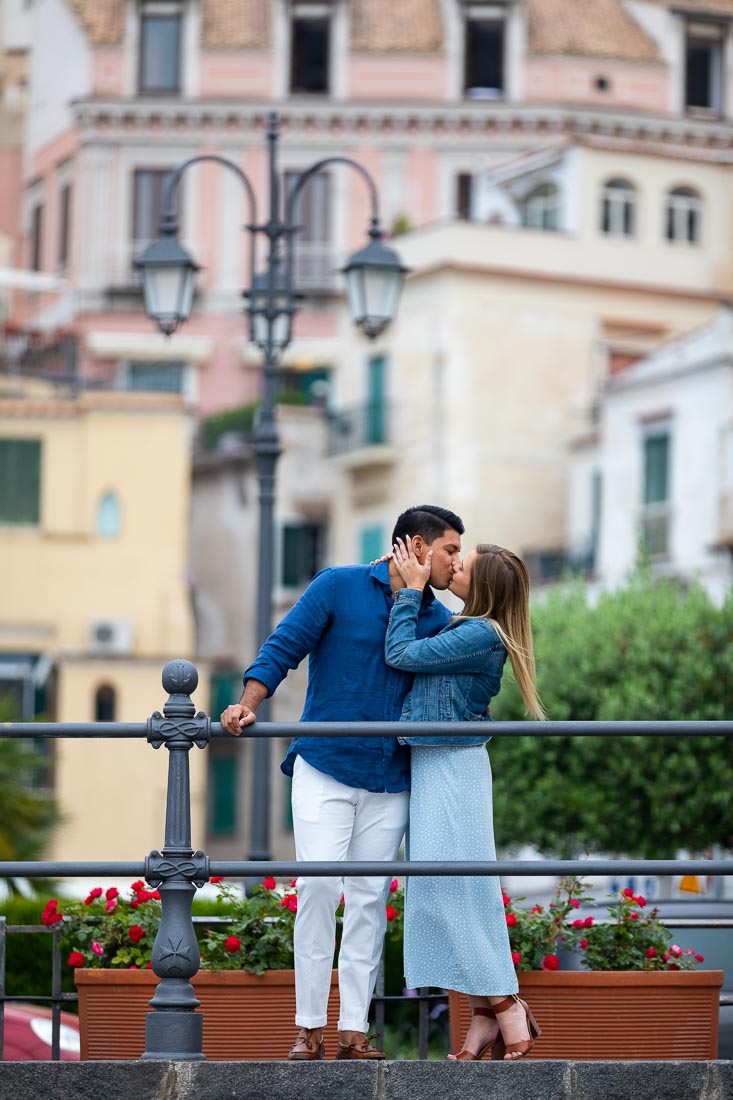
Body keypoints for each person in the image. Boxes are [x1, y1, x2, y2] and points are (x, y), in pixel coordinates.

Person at [220, 505, 464, 1061]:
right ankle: (310, 1026)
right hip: (325, 766)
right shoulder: (337, 585)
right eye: (450, 549)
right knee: (319, 890)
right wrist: (245, 704)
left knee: (370, 900)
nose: (457, 562)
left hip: (392, 778)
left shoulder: (434, 618)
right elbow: (283, 647)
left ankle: (354, 1030)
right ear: (418, 547)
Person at [384, 536, 546, 1061]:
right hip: (439, 764)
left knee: (457, 892)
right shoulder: (470, 628)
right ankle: (482, 1019)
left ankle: (507, 1007)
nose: (453, 566)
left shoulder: (479, 633)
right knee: (448, 890)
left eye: (463, 564)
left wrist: (409, 592)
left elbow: (400, 653)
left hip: (452, 768)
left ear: (481, 586)